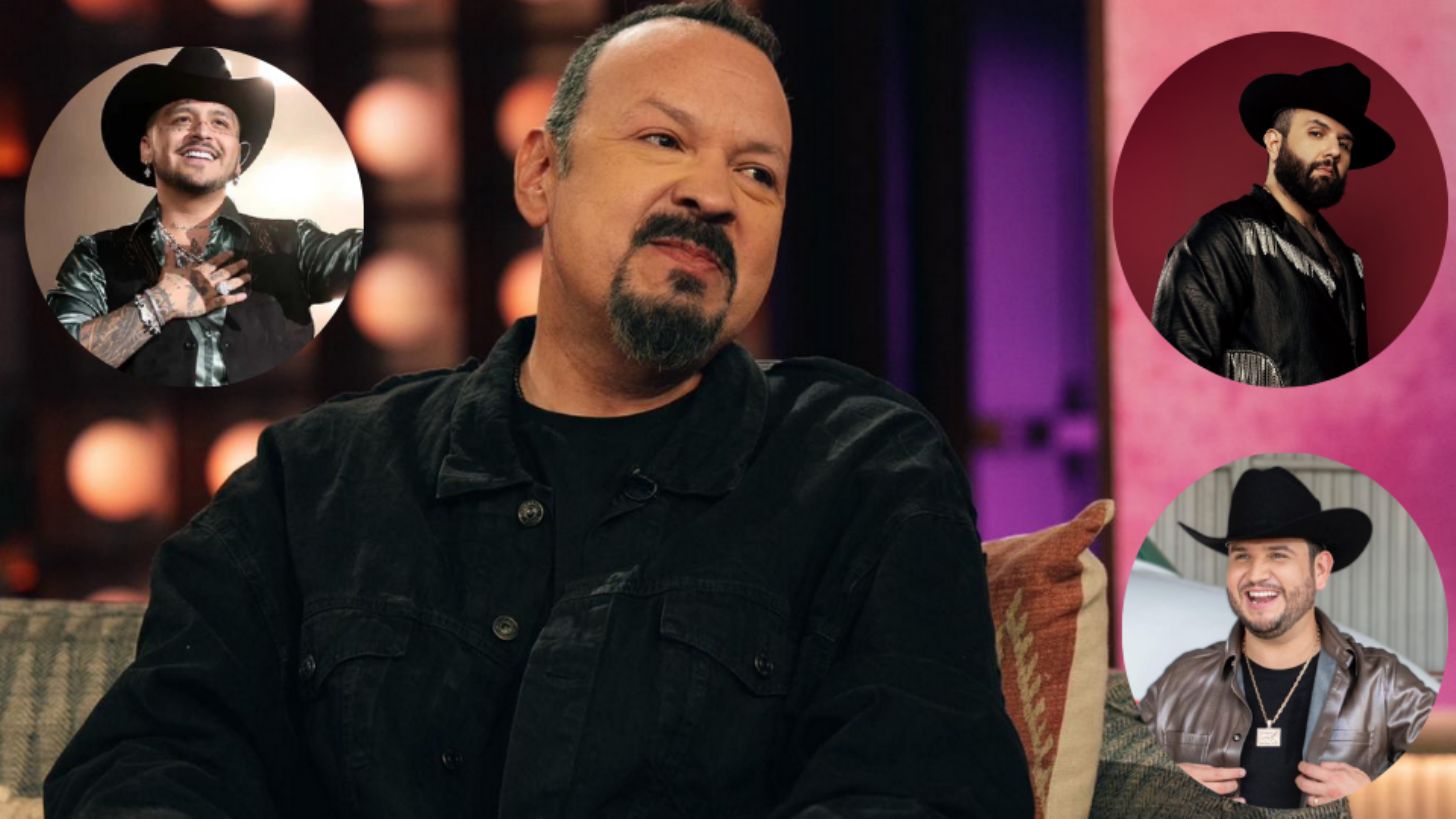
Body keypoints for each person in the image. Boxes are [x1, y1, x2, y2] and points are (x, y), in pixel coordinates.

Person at [45, 3, 1034, 817]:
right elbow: (153, 761)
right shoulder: (317, 480)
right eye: (663, 139)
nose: (714, 193)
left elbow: (918, 788)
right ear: (540, 174)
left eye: (757, 172)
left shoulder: (863, 470)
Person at [45, 46, 362, 388]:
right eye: (182, 119)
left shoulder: (297, 245)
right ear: (146, 148)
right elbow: (57, 362)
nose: (202, 132)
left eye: (220, 122)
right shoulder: (95, 256)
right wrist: (160, 304)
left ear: (239, 160)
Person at [1139, 467, 1434, 809]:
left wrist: (1372, 797)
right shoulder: (1179, 684)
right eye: (1242, 556)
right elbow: (1114, 783)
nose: (1255, 574)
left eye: (1278, 555)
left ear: (1320, 569)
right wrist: (1161, 787)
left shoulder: (1387, 686)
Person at [1150, 63, 1393, 387]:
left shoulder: (1348, 262)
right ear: (1274, 143)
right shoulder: (1223, 239)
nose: (1334, 150)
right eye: (1317, 133)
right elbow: (1176, 381)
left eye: (1345, 143)